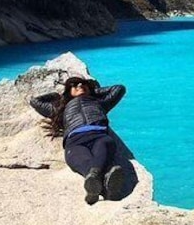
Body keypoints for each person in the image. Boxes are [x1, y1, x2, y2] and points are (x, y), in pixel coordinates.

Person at [30, 76, 127, 205]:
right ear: (68, 91)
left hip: (98, 135)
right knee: (78, 157)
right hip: (75, 140)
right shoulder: (60, 109)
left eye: (83, 84)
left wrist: (92, 92)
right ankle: (102, 181)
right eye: (75, 85)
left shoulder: (99, 102)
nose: (80, 85)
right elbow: (35, 101)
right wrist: (58, 95)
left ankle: (95, 185)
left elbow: (119, 88)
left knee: (104, 146)